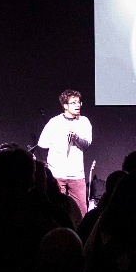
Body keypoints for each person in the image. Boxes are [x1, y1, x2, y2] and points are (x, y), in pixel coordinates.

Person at [37, 89, 93, 217]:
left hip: (77, 175)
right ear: (65, 106)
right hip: (57, 174)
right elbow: (42, 144)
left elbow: (86, 145)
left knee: (81, 212)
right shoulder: (54, 122)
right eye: (73, 103)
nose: (78, 105)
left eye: (79, 102)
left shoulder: (84, 121)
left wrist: (76, 138)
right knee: (57, 211)